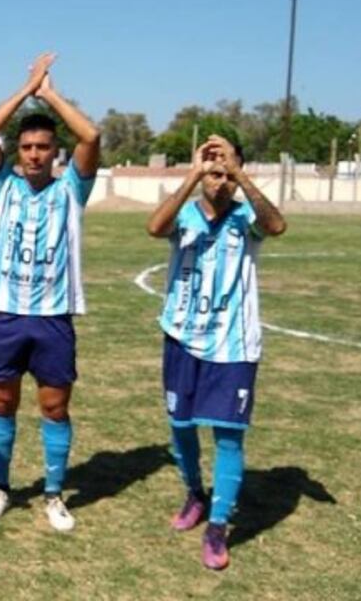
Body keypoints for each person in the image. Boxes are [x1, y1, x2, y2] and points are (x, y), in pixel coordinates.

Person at [146, 134, 287, 570]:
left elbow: (278, 225)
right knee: (181, 426)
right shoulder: (185, 214)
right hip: (182, 338)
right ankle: (195, 494)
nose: (219, 181)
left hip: (234, 343)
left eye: (226, 172)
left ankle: (218, 525)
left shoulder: (248, 217)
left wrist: (238, 172)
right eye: (214, 172)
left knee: (228, 434)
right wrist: (193, 173)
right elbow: (154, 227)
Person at [0, 52, 101, 532]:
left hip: (52, 319)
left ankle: (52, 493)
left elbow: (91, 136)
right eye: (26, 146)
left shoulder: (72, 189)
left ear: (54, 153)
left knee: (54, 407)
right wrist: (25, 92)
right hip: (5, 316)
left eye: (43, 147)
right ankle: (0, 486)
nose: (33, 154)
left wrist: (49, 95)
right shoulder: (2, 185)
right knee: (3, 403)